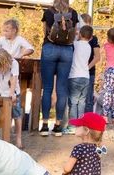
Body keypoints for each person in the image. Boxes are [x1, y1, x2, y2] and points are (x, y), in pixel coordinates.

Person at [39, 0, 79, 136]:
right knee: (61, 89)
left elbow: (45, 32)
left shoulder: (48, 12)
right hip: (67, 50)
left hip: (49, 48)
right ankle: (58, 126)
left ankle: (44, 125)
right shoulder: (73, 13)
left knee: (48, 88)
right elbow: (76, 32)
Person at [0, 48, 23, 148]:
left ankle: (18, 138)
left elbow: (14, 78)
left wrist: (12, 93)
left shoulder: (14, 63)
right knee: (0, 114)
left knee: (16, 115)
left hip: (13, 93)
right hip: (1, 92)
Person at [67, 26, 94, 130]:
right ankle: (81, 124)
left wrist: (76, 30)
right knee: (82, 102)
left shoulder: (76, 44)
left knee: (73, 101)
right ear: (91, 38)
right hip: (85, 76)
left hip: (74, 75)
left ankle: (73, 125)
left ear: (80, 34)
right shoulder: (89, 46)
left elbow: (71, 38)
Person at [81, 14, 101, 115]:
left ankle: (87, 123)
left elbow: (97, 56)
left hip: (89, 72)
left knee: (88, 100)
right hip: (77, 71)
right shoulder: (76, 38)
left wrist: (87, 68)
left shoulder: (93, 39)